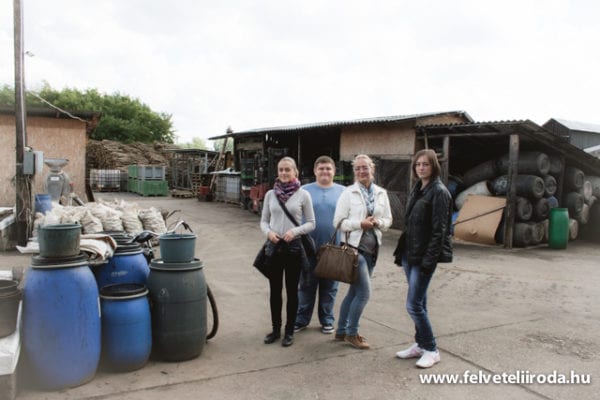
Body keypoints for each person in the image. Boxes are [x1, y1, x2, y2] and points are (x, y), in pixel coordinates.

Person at [393, 149, 453, 368]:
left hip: (424, 257)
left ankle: (432, 349)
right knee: (420, 303)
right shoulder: (418, 188)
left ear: (434, 166)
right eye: (418, 164)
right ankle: (420, 344)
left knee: (413, 305)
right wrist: (402, 253)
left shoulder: (439, 192)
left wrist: (429, 260)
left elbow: (440, 231)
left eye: (425, 164)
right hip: (410, 254)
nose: (421, 168)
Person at [332, 154, 392, 349]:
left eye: (364, 168)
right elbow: (338, 222)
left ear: (372, 169)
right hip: (353, 250)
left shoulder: (381, 193)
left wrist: (378, 222)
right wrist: (361, 224)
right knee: (364, 293)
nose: (361, 172)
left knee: (354, 292)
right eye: (357, 168)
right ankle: (352, 332)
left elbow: (388, 220)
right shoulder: (348, 193)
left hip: (372, 249)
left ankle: (341, 330)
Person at [260, 156, 316, 347]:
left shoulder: (303, 195)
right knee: (275, 291)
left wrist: (295, 231)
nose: (284, 173)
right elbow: (263, 221)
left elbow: (311, 223)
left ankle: (289, 331)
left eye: (287, 170)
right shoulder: (270, 195)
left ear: (295, 172)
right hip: (274, 247)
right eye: (281, 170)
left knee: (293, 292)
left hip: (293, 248)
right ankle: (276, 330)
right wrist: (268, 233)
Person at [294, 156, 345, 335]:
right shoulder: (303, 191)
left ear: (334, 171)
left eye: (328, 168)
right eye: (321, 168)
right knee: (306, 286)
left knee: (330, 288)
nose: (325, 171)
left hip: (334, 249)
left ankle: (327, 320)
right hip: (307, 249)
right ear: (315, 171)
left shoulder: (343, 192)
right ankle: (301, 320)